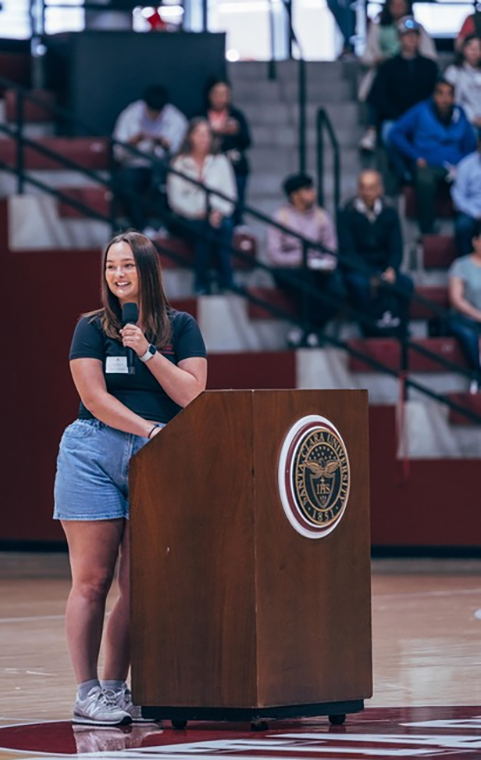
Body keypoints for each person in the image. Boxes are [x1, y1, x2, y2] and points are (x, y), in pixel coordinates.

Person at [53, 231, 207, 725]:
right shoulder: (91, 328)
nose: (118, 275)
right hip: (94, 452)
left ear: (148, 270)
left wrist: (146, 351)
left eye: (127, 266)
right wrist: (146, 429)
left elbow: (194, 395)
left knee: (140, 584)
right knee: (92, 581)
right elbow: (94, 397)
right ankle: (87, 692)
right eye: (110, 267)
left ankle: (117, 690)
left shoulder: (181, 327)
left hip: (158, 462)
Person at [266, 173, 345, 347]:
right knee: (307, 284)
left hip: (318, 267)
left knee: (337, 290)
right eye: (307, 190)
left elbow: (331, 248)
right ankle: (309, 331)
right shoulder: (281, 217)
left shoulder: (322, 217)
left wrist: (326, 263)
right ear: (295, 196)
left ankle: (309, 329)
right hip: (290, 268)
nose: (313, 193)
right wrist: (300, 260)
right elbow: (274, 254)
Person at [389, 79, 476, 233]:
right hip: (427, 163)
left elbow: (470, 144)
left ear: (454, 98)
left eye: (449, 94)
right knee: (425, 180)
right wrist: (415, 155)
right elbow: (395, 133)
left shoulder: (460, 113)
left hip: (456, 165)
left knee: (472, 175)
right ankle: (427, 228)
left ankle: (465, 224)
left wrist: (463, 163)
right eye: (441, 94)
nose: (444, 98)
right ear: (434, 95)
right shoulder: (420, 111)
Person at [338, 170, 413, 336]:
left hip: (383, 266)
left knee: (405, 284)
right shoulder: (346, 214)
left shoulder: (390, 213)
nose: (367, 192)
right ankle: (369, 328)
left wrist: (391, 268)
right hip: (358, 268)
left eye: (371, 187)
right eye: (363, 187)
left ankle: (400, 327)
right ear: (358, 189)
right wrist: (367, 274)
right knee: (360, 285)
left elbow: (396, 247)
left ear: (380, 189)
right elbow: (347, 250)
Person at [167, 118, 237, 295]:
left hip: (216, 214)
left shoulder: (220, 162)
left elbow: (229, 195)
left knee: (223, 226)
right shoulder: (179, 163)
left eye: (206, 134)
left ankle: (219, 280)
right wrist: (199, 213)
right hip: (188, 217)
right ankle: (211, 281)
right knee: (206, 230)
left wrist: (216, 212)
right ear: (189, 136)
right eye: (198, 133)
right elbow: (176, 200)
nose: (203, 138)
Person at [358, 0, 436, 152]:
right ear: (399, 38)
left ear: (419, 38)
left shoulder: (428, 67)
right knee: (391, 134)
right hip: (395, 116)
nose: (411, 39)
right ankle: (372, 131)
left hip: (421, 117)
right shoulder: (388, 67)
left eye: (414, 35)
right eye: (407, 36)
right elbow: (381, 98)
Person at [112, 85, 188, 234]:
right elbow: (116, 151)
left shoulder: (176, 119)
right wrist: (131, 143)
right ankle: (142, 227)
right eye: (151, 111)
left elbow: (184, 153)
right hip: (135, 164)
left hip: (164, 166)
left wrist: (167, 146)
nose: (154, 116)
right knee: (127, 181)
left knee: (169, 182)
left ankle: (168, 228)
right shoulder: (130, 114)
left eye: (158, 113)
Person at [203, 79, 252, 227]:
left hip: (233, 163)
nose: (220, 98)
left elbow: (247, 142)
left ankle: (237, 222)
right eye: (217, 93)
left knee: (236, 190)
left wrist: (235, 132)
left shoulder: (237, 116)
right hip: (207, 164)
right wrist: (212, 131)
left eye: (224, 94)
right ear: (209, 95)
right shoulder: (201, 115)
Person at [448, 220, 481, 392]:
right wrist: (478, 316)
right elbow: (456, 299)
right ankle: (477, 375)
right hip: (466, 317)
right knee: (470, 334)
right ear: (475, 241)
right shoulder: (461, 265)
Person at [451, 134, 481, 257]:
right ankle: (467, 266)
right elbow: (458, 195)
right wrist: (475, 213)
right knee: (463, 226)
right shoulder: (466, 165)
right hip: (470, 211)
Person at [444, 35, 481, 130]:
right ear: (463, 49)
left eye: (478, 48)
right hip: (462, 120)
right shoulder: (453, 72)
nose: (474, 51)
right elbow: (452, 101)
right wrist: (473, 118)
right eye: (471, 47)